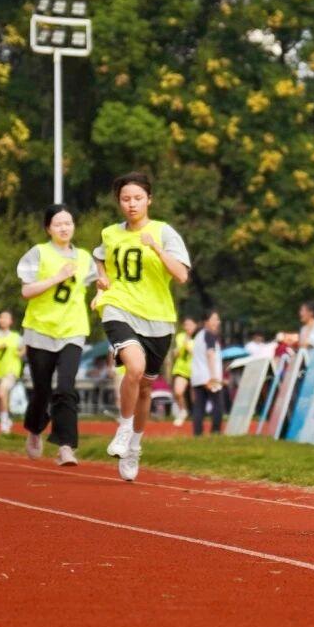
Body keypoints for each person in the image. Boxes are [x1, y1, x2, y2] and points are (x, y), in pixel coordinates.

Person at [98, 173, 191, 482]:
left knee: (146, 388)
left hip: (158, 318)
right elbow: (99, 258)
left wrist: (157, 249)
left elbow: (181, 276)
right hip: (119, 308)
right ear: (118, 202)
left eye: (138, 198)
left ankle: (135, 447)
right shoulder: (110, 233)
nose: (132, 204)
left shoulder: (164, 232)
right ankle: (124, 429)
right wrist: (101, 281)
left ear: (149, 200)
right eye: (125, 199)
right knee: (133, 368)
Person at [17, 203, 98, 466]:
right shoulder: (38, 253)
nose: (64, 228)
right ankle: (34, 429)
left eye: (68, 223)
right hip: (40, 330)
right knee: (42, 390)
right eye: (58, 224)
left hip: (73, 330)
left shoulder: (84, 258)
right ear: (48, 228)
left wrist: (101, 294)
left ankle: (66, 446)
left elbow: (100, 281)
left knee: (65, 388)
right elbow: (26, 291)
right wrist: (56, 277)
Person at [190, 310, 224, 436]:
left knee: (199, 406)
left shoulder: (198, 336)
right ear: (206, 321)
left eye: (218, 319)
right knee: (218, 404)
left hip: (198, 377)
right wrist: (214, 376)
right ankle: (216, 431)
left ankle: (197, 433)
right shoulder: (209, 335)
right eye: (214, 319)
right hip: (209, 376)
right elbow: (210, 355)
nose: (217, 322)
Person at [169, 317, 198, 427]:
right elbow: (176, 353)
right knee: (178, 392)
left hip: (196, 370)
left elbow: (197, 354)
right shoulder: (180, 337)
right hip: (181, 369)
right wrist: (178, 350)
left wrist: (188, 346)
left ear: (195, 325)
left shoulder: (199, 338)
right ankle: (183, 411)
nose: (188, 327)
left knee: (195, 396)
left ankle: (197, 416)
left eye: (190, 324)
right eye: (186, 325)